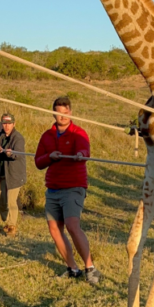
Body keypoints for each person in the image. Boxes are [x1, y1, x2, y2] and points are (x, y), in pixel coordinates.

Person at [34, 96, 100, 283]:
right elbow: (38, 162)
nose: (62, 116)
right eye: (58, 113)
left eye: (65, 113)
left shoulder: (79, 133)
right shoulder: (47, 136)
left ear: (70, 112)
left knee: (72, 225)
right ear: (53, 113)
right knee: (54, 229)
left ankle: (90, 268)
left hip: (73, 187)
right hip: (53, 189)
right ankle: (72, 268)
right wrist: (50, 157)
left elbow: (85, 152)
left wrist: (80, 155)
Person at [0, 113, 26, 237]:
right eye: (4, 124)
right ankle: (7, 220)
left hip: (14, 174)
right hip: (2, 173)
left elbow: (18, 153)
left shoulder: (18, 138)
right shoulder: (1, 136)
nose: (7, 126)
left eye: (9, 124)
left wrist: (10, 153)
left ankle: (12, 226)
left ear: (14, 124)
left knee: (11, 201)